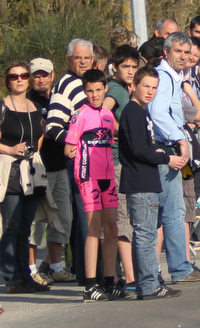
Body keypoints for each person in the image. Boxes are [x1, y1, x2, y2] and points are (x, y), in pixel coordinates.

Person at [149, 32, 200, 284]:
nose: (184, 57)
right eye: (178, 52)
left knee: (171, 211)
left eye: (187, 53)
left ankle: (177, 267)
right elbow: (157, 112)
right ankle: (175, 270)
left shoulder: (174, 77)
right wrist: (181, 139)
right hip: (164, 148)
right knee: (171, 212)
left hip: (169, 146)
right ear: (166, 53)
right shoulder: (163, 77)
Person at [119, 66, 185, 300]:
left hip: (147, 180)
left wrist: (154, 149)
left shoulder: (142, 112)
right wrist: (166, 157)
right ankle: (148, 285)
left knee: (146, 233)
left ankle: (148, 281)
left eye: (154, 87)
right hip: (140, 181)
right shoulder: (133, 111)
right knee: (146, 234)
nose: (150, 91)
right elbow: (137, 150)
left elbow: (142, 146)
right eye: (145, 86)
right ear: (133, 86)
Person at [64, 69, 120, 301]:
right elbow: (68, 148)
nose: (95, 95)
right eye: (90, 91)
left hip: (108, 176)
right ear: (84, 91)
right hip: (88, 177)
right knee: (94, 229)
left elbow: (119, 133)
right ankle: (89, 284)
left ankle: (109, 280)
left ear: (105, 89)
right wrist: (80, 152)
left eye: (98, 90)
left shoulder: (108, 114)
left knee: (112, 228)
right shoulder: (80, 115)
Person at [45, 38, 95, 285]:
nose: (83, 61)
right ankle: (88, 275)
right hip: (78, 161)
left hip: (96, 159)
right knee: (86, 214)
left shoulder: (89, 84)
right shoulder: (66, 85)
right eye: (78, 57)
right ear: (68, 60)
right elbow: (53, 126)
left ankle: (87, 268)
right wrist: (73, 141)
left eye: (87, 57)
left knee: (88, 215)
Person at [25, 57, 74, 283]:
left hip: (59, 166)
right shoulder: (26, 102)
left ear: (53, 76)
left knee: (61, 218)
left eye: (45, 74)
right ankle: (32, 270)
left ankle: (55, 266)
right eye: (37, 75)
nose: (41, 78)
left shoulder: (59, 98)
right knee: (35, 222)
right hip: (35, 168)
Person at [1, 62, 47, 295]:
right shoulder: (2, 107)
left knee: (25, 227)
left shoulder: (35, 107)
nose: (19, 79)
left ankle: (25, 276)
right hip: (10, 171)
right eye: (14, 76)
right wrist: (10, 150)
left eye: (23, 75)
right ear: (7, 81)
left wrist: (33, 153)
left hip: (32, 172)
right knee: (11, 226)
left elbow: (40, 136)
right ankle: (11, 278)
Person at [103, 45, 141, 297]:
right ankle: (129, 278)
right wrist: (119, 130)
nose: (129, 71)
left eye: (133, 67)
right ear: (115, 67)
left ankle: (122, 274)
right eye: (125, 66)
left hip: (124, 161)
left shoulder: (125, 88)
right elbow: (103, 110)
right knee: (123, 218)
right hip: (115, 161)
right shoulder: (115, 88)